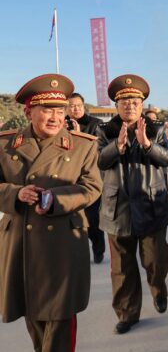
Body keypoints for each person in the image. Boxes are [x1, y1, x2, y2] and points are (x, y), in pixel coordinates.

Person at [0, 74, 103, 352]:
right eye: (47, 109)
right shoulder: (5, 144)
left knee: (59, 318)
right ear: (28, 112)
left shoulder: (83, 144)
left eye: (60, 110)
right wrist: (14, 194)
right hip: (21, 244)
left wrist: (55, 199)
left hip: (63, 245)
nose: (55, 117)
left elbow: (92, 187)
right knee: (33, 315)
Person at [96, 74, 168, 335]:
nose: (130, 105)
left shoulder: (157, 129)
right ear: (116, 106)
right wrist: (115, 147)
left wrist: (147, 144)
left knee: (156, 261)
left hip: (151, 204)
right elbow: (98, 161)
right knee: (122, 268)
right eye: (124, 101)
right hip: (117, 208)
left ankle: (158, 290)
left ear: (142, 106)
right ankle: (127, 313)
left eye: (135, 101)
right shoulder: (104, 131)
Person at [66, 92, 106, 264]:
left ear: (84, 106)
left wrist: (76, 135)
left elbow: (96, 150)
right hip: (68, 178)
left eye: (78, 105)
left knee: (92, 219)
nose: (75, 109)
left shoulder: (95, 124)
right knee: (71, 219)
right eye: (71, 106)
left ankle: (98, 249)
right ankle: (75, 251)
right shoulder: (61, 124)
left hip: (90, 178)